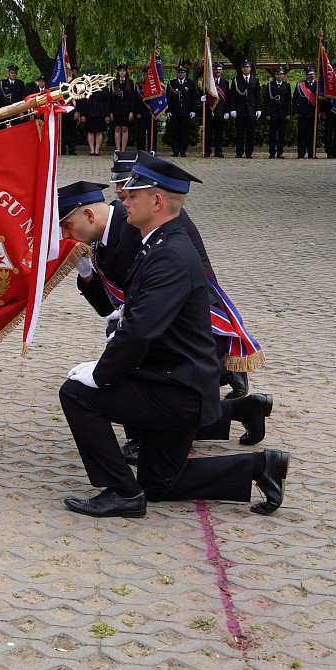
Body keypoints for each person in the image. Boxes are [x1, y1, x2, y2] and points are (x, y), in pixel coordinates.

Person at [57, 155, 288, 518]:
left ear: (158, 202)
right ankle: (261, 467)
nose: (122, 200)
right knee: (159, 483)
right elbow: (130, 317)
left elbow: (139, 330)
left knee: (76, 394)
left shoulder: (168, 254)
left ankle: (121, 491)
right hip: (177, 380)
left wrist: (99, 374)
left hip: (177, 390)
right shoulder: (160, 242)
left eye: (132, 196)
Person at [228, 60, 261, 158]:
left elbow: (257, 95)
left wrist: (258, 109)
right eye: (243, 67)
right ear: (241, 69)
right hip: (240, 110)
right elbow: (233, 96)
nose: (245, 69)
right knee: (239, 132)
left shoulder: (255, 79)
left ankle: (249, 152)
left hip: (251, 110)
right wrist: (232, 109)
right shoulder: (236, 80)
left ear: (250, 68)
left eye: (247, 67)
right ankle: (239, 152)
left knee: (250, 133)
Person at [165, 65, 197, 157]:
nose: (181, 74)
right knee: (175, 132)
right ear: (177, 73)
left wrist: (193, 110)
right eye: (179, 72)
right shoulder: (171, 83)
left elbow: (193, 98)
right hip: (174, 112)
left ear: (185, 73)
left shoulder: (190, 83)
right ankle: (175, 150)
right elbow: (168, 98)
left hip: (186, 112)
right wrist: (168, 110)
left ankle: (183, 150)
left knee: (184, 132)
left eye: (182, 72)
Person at [263, 65, 292, 159]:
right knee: (272, 134)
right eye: (277, 74)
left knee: (282, 134)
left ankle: (280, 152)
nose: (279, 76)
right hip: (273, 113)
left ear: (283, 75)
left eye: (281, 74)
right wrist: (267, 113)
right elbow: (267, 100)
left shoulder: (286, 85)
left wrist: (288, 113)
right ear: (274, 75)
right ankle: (272, 152)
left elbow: (288, 100)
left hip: (283, 114)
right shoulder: (270, 85)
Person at [108, 64, 136, 152]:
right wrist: (110, 112)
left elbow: (132, 99)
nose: (122, 72)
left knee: (124, 129)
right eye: (120, 71)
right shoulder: (114, 83)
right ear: (118, 72)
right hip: (116, 110)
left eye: (124, 71)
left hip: (126, 110)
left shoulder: (130, 83)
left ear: (126, 72)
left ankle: (123, 150)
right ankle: (118, 149)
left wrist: (131, 111)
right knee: (117, 129)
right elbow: (110, 99)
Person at [202, 61, 228, 158]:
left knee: (219, 133)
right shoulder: (208, 82)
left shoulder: (225, 82)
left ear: (222, 71)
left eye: (219, 69)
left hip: (220, 111)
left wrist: (226, 111)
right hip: (209, 110)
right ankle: (207, 151)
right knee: (208, 132)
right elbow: (202, 94)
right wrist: (202, 98)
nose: (218, 71)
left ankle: (218, 151)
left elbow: (227, 98)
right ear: (213, 70)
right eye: (216, 69)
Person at [293, 67, 320, 158]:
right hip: (303, 113)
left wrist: (321, 111)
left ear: (314, 74)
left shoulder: (318, 85)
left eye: (311, 74)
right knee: (302, 134)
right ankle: (301, 153)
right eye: (308, 74)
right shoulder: (300, 85)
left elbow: (323, 101)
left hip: (314, 113)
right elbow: (295, 99)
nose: (310, 76)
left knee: (313, 134)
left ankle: (312, 153)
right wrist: (295, 111)